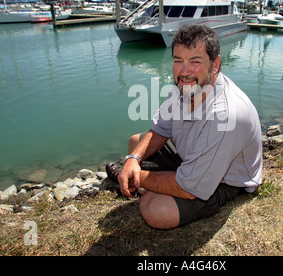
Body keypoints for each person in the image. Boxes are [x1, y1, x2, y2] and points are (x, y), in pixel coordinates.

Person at [106, 24, 263, 229]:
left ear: (215, 65)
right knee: (136, 143)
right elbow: (161, 129)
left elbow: (190, 187)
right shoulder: (186, 86)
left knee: (155, 209)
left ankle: (132, 184)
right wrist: (133, 159)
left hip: (225, 180)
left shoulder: (227, 115)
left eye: (195, 61)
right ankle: (141, 182)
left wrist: (134, 175)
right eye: (178, 61)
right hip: (191, 155)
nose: (184, 71)